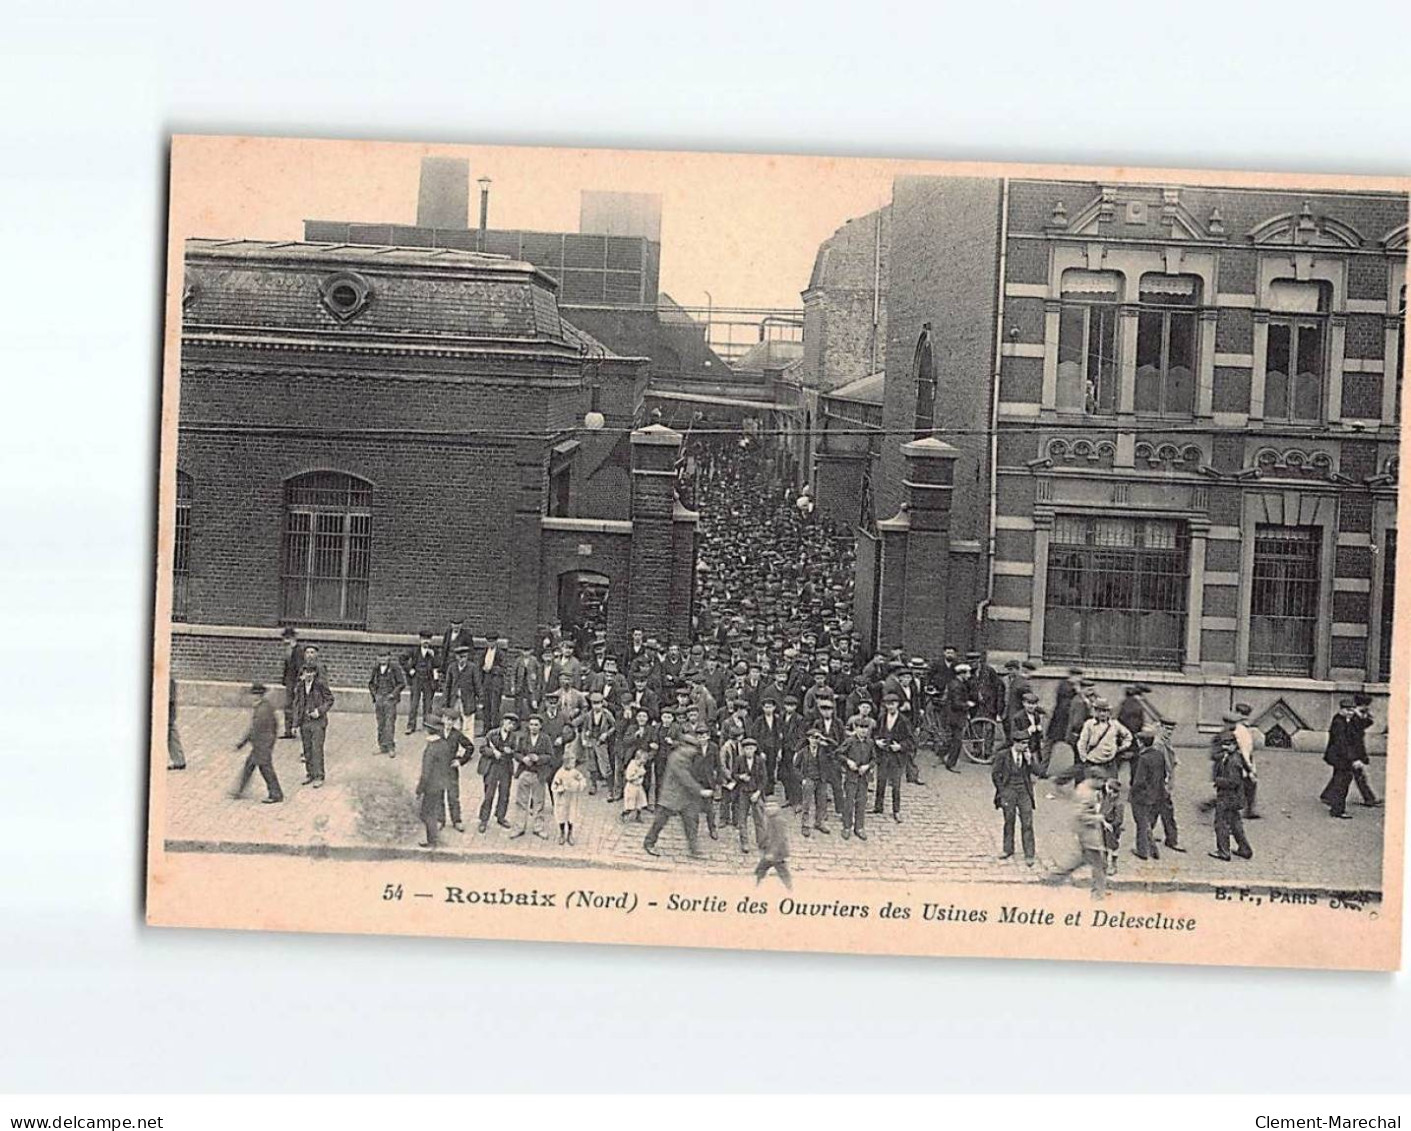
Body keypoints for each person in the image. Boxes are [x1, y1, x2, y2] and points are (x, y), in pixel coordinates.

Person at [644, 737, 713, 858]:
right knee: (659, 822)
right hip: (671, 797)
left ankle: (693, 849)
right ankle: (649, 843)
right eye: (692, 747)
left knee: (691, 822)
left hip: (685, 797)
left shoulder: (686, 757)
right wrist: (700, 791)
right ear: (685, 746)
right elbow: (685, 777)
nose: (694, 751)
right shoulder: (677, 758)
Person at [1046, 776, 1107, 900]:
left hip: (1087, 834)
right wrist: (1098, 818)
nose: (1102, 784)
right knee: (1099, 865)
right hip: (1089, 835)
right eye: (1101, 781)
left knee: (1083, 859)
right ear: (1095, 779)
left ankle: (1056, 876)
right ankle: (1098, 894)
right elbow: (1081, 815)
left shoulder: (1084, 788)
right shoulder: (1087, 794)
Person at [1320, 697, 1374, 820]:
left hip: (1342, 757)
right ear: (1341, 709)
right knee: (1342, 783)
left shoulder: (1348, 720)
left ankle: (1330, 800)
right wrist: (1354, 760)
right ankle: (1337, 810)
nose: (1351, 712)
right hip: (1341, 758)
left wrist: (1364, 714)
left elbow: (1365, 723)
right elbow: (1342, 744)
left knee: (1340, 780)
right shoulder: (1339, 723)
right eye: (1348, 710)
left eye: (1352, 710)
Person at [414, 711, 460, 849]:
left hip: (431, 786)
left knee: (426, 814)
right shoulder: (444, 744)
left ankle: (432, 841)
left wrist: (419, 789)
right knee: (431, 813)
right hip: (442, 782)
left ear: (428, 731)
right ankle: (433, 838)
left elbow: (425, 773)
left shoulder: (431, 749)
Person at [232, 682, 282, 803]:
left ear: (258, 695)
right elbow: (274, 725)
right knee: (249, 766)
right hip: (262, 743)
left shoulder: (262, 710)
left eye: (253, 695)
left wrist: (242, 743)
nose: (251, 697)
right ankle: (239, 790)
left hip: (262, 744)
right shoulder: (264, 706)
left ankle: (276, 794)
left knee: (266, 769)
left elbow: (254, 729)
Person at [510, 714, 556, 839]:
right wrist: (523, 759)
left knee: (539, 803)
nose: (533, 727)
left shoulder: (545, 739)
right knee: (521, 802)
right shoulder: (523, 738)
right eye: (531, 724)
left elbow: (551, 756)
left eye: (536, 725)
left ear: (540, 726)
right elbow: (516, 753)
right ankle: (519, 827)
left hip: (539, 774)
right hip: (525, 772)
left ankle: (538, 828)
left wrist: (539, 758)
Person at [1210, 732, 1254, 860]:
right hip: (1235, 798)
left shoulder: (1233, 761)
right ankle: (1245, 849)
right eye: (1224, 744)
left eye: (1228, 744)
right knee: (1235, 824)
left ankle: (1223, 852)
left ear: (1235, 745)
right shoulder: (1234, 757)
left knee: (1221, 824)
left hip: (1227, 797)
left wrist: (1218, 781)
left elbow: (1233, 782)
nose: (1225, 747)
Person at [290, 661, 334, 787]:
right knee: (307, 749)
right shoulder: (300, 687)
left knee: (316, 749)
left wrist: (319, 711)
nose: (308, 675)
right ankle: (310, 774)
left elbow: (330, 700)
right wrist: (294, 724)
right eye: (306, 672)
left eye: (311, 672)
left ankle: (319, 776)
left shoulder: (320, 685)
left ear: (315, 673)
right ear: (302, 673)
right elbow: (297, 705)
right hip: (305, 722)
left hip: (318, 722)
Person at [1128, 727, 1168, 861]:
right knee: (1147, 823)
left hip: (1143, 796)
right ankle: (1153, 850)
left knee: (1141, 823)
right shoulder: (1159, 755)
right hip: (1157, 795)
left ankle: (1142, 852)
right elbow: (1164, 774)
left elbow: (1139, 780)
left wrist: (1132, 793)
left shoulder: (1143, 758)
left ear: (1141, 743)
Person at [872, 692, 912, 823]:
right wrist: (877, 741)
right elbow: (876, 733)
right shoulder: (882, 718)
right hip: (883, 755)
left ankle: (896, 810)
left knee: (895, 785)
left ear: (898, 705)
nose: (890, 707)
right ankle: (878, 806)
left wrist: (900, 746)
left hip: (896, 757)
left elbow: (911, 741)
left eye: (893, 704)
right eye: (888, 704)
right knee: (881, 781)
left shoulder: (904, 721)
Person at [476, 710, 518, 832]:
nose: (510, 725)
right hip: (492, 767)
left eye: (512, 724)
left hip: (506, 767)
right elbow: (482, 748)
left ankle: (501, 816)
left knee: (504, 794)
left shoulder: (514, 737)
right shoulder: (491, 734)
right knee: (489, 794)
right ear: (503, 722)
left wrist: (511, 752)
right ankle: (484, 820)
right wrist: (493, 752)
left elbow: (518, 751)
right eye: (508, 722)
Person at [1075, 697, 1131, 781]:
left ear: (1109, 712)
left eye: (1105, 711)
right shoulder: (1089, 724)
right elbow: (1082, 742)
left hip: (1109, 764)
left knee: (1111, 788)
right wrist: (1084, 758)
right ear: (1095, 711)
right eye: (1099, 711)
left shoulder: (1114, 724)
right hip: (1093, 762)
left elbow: (1128, 736)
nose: (1102, 714)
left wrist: (1120, 748)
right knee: (1092, 787)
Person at [839, 716, 875, 841]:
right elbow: (838, 754)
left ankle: (859, 827)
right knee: (849, 802)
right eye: (861, 727)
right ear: (855, 728)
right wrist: (848, 761)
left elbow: (875, 759)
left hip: (863, 778)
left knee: (861, 802)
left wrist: (868, 766)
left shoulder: (870, 743)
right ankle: (847, 827)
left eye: (866, 728)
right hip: (851, 777)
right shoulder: (850, 741)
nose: (863, 731)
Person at [367, 649, 407, 756]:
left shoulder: (394, 668)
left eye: (384, 656)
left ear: (389, 657)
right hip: (379, 698)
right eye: (380, 656)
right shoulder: (376, 669)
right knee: (381, 723)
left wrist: (393, 694)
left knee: (389, 723)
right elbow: (370, 683)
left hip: (390, 700)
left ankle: (390, 747)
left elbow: (401, 683)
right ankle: (382, 746)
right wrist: (375, 695)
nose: (382, 659)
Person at [403, 630, 439, 735]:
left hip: (428, 680)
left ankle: (427, 726)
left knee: (428, 704)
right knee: (414, 703)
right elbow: (402, 659)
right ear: (420, 639)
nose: (425, 641)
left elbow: (438, 666)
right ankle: (411, 726)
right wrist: (409, 670)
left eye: (428, 639)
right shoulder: (415, 651)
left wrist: (433, 656)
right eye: (424, 639)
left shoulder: (434, 651)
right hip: (417, 679)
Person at [551, 748, 588, 845]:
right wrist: (560, 788)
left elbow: (582, 780)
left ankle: (570, 833)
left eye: (573, 761)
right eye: (570, 761)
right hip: (562, 798)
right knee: (561, 815)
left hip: (572, 798)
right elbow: (554, 785)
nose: (572, 764)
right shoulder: (560, 773)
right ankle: (562, 832)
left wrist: (578, 786)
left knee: (571, 815)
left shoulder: (575, 773)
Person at [754, 800, 793, 889]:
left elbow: (779, 838)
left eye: (771, 807)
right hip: (770, 850)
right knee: (761, 869)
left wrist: (772, 852)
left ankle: (790, 889)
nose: (767, 809)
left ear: (777, 809)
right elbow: (767, 834)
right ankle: (756, 884)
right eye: (766, 807)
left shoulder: (779, 821)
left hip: (777, 853)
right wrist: (762, 844)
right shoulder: (770, 819)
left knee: (782, 871)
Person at [1230, 704, 1259, 818]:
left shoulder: (1245, 728)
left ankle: (1249, 810)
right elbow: (1242, 749)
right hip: (1240, 761)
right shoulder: (1238, 729)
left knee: (1249, 786)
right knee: (1236, 788)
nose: (1245, 719)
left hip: (1246, 759)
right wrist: (1249, 767)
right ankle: (1209, 805)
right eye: (1242, 716)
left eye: (1246, 716)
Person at [279, 627, 306, 739]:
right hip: (289, 682)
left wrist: (298, 684)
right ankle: (288, 730)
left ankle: (296, 729)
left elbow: (300, 668)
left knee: (296, 706)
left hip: (295, 683)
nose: (285, 641)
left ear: (292, 638)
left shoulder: (298, 651)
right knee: (289, 706)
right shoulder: (288, 651)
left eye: (287, 638)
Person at [478, 632, 507, 732]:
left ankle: (495, 730)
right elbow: (479, 667)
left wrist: (491, 669)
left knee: (494, 708)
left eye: (492, 641)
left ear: (496, 641)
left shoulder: (500, 654)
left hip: (496, 683)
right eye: (489, 641)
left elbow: (503, 669)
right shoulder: (483, 653)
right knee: (486, 707)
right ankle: (485, 729)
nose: (490, 644)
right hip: (486, 682)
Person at [621, 748, 650, 823]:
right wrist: (638, 775)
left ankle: (638, 816)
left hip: (639, 786)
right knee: (630, 802)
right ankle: (625, 815)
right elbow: (628, 777)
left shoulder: (641, 765)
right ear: (637, 758)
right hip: (631, 787)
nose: (645, 761)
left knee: (640, 802)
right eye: (643, 759)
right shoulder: (632, 765)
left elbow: (643, 772)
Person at [167, 675, 186, 770]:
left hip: (167, 702)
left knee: (170, 730)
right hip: (168, 700)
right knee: (171, 730)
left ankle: (179, 760)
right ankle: (179, 759)